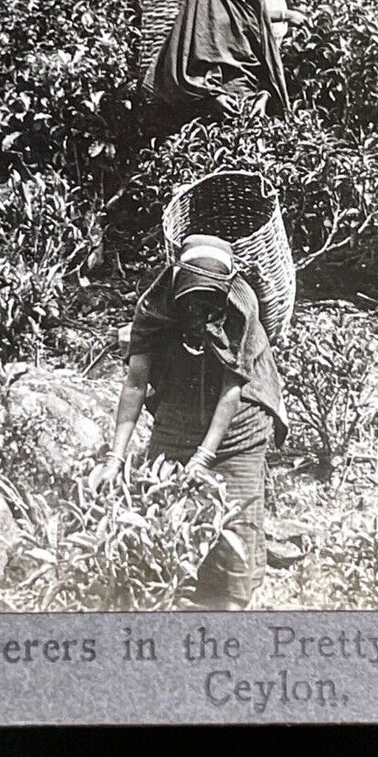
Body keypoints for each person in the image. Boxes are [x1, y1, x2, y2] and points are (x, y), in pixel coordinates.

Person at [97, 234, 288, 609]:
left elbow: (232, 389)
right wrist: (114, 459)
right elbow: (136, 384)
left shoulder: (240, 307)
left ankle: (233, 600)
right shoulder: (155, 307)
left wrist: (204, 456)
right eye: (192, 301)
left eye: (209, 302)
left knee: (234, 517)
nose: (200, 311)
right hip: (180, 404)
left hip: (241, 416)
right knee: (165, 504)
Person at [143, 0, 291, 123]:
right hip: (208, 111)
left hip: (251, 108)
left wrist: (263, 96)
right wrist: (212, 98)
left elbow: (267, 65)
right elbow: (181, 67)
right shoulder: (200, 1)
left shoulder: (253, 6)